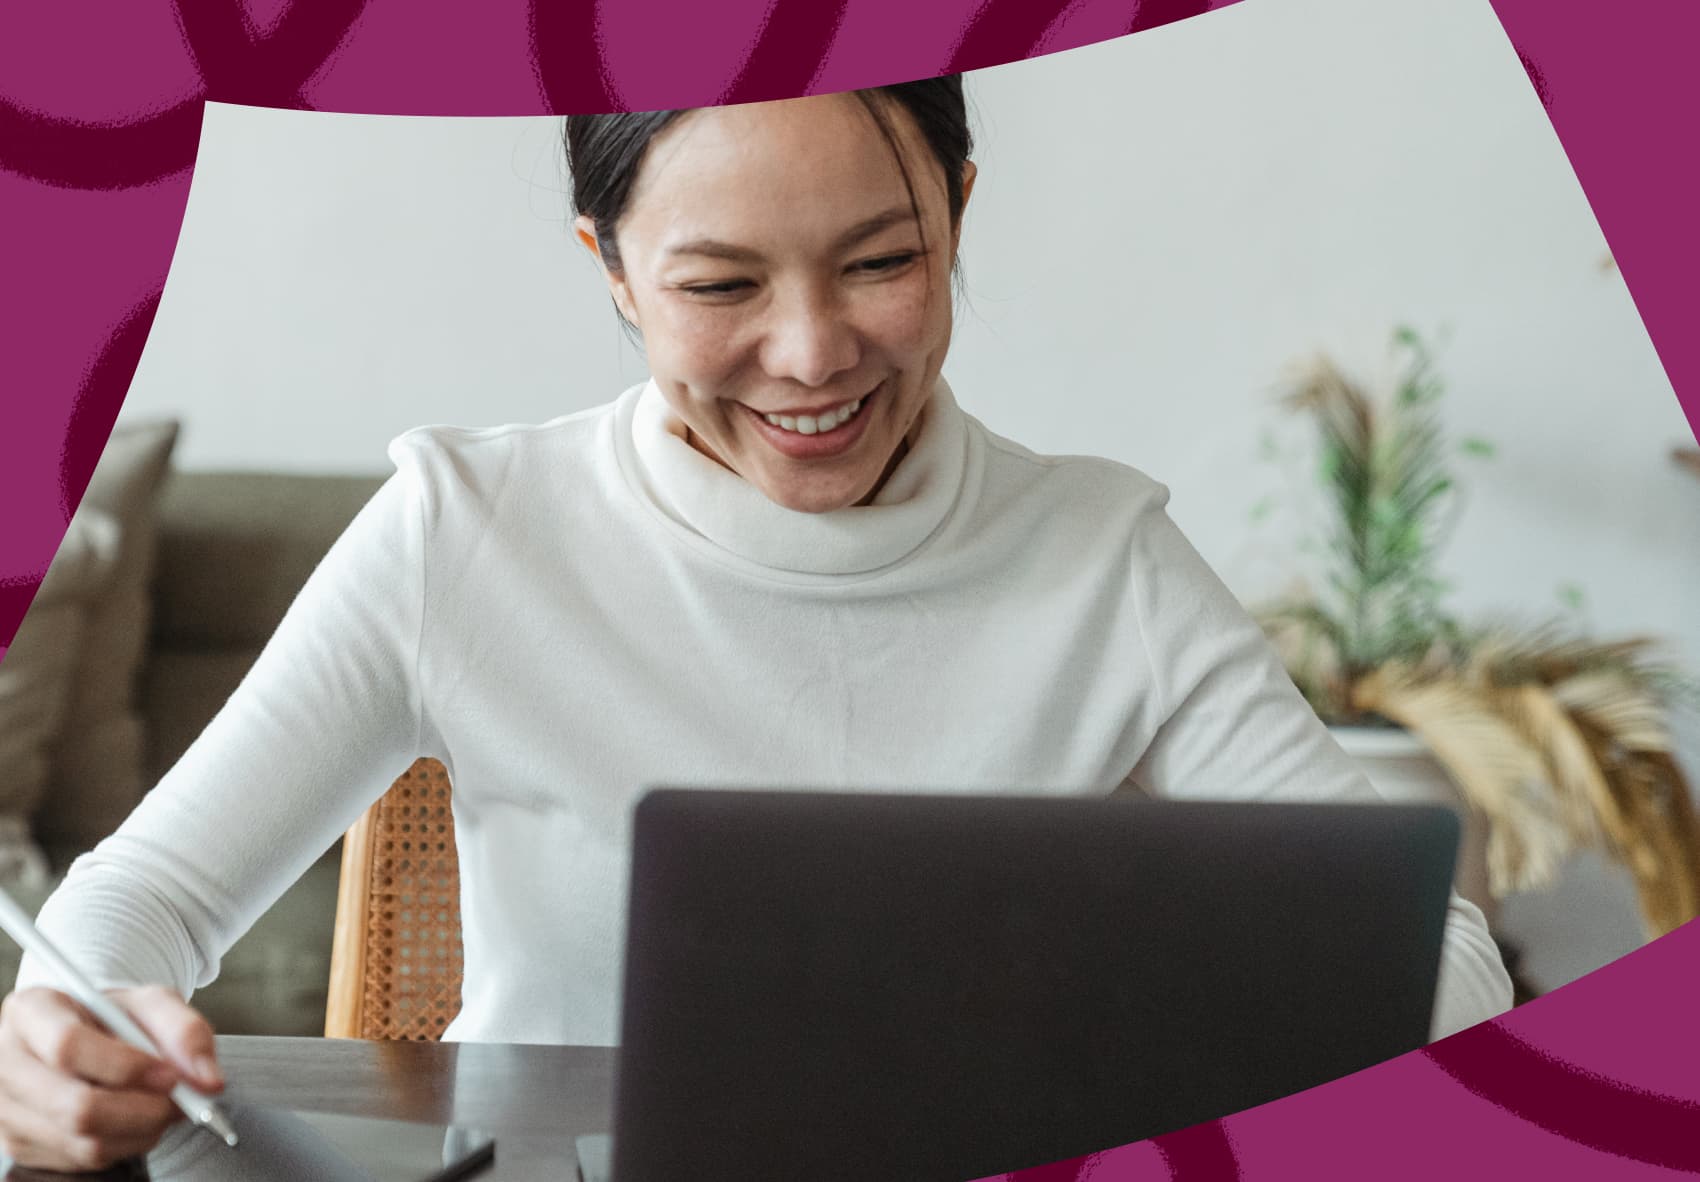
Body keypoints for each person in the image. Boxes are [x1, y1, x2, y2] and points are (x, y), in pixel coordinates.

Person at [0, 76, 1513, 1171]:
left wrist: (1146, 987)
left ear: (961, 208)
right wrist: (63, 1038)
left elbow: (1441, 961)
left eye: (883, 261)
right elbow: (128, 912)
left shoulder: (1099, 553)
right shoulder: (466, 527)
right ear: (608, 268)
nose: (812, 354)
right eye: (720, 283)